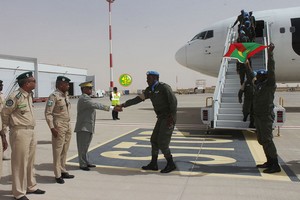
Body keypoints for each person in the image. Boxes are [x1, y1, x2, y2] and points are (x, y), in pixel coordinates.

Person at [117, 71, 177, 173]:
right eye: (147, 78)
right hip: (161, 117)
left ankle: (171, 164)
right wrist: (123, 105)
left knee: (163, 143)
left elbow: (173, 102)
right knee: (154, 140)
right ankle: (154, 164)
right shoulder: (149, 90)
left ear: (155, 78)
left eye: (148, 78)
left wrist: (171, 118)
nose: (146, 80)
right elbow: (137, 99)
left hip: (168, 117)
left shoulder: (164, 88)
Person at [1, 72, 45, 200]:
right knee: (19, 162)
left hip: (31, 131)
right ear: (26, 83)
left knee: (30, 161)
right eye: (33, 81)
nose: (35, 83)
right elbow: (5, 113)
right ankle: (19, 193)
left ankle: (31, 186)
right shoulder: (16, 96)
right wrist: (4, 131)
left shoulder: (29, 95)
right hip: (20, 132)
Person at [246, 43, 281, 173]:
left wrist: (270, 54)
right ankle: (269, 161)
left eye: (261, 76)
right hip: (259, 117)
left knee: (267, 140)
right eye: (259, 76)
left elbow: (272, 70)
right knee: (261, 140)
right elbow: (251, 76)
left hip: (266, 117)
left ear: (266, 77)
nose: (258, 77)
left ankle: (275, 164)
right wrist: (246, 64)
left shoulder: (269, 85)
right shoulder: (258, 85)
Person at [74, 81, 122, 171]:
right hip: (83, 127)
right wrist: (112, 108)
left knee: (86, 146)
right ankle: (82, 164)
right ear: (83, 89)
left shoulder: (87, 98)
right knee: (82, 147)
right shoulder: (84, 98)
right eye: (88, 88)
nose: (91, 89)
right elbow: (97, 105)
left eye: (91, 88)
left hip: (88, 126)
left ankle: (86, 162)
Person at [45, 76, 75, 184]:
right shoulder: (54, 96)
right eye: (66, 84)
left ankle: (63, 170)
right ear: (60, 85)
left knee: (65, 149)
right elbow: (48, 113)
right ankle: (57, 174)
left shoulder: (65, 95)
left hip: (67, 124)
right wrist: (52, 128)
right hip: (59, 125)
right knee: (57, 150)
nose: (68, 86)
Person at [0, 80, 8, 180]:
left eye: (2, 84)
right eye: (0, 85)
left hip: (2, 122)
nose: (2, 86)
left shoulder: (2, 95)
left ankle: (2, 154)